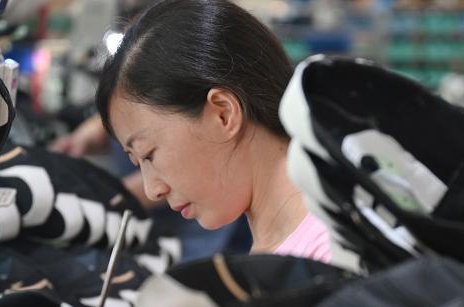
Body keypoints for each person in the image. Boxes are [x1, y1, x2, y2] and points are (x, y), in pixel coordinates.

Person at [95, 0, 330, 262]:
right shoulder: (282, 257)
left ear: (223, 114)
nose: (153, 190)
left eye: (148, 154)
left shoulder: (327, 260)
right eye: (138, 162)